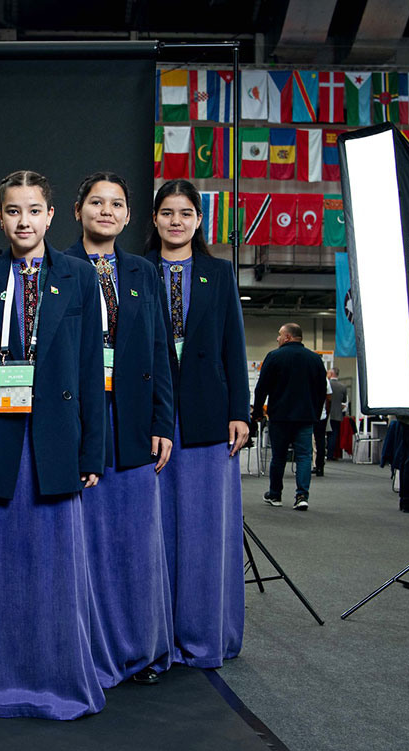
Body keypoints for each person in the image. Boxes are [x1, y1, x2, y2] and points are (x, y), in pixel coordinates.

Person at [0, 170, 106, 719]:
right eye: (13, 211)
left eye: (34, 210)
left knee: (55, 567)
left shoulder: (80, 277)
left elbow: (90, 371)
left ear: (51, 215)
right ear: (0, 217)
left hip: (56, 438)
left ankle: (58, 674)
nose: (24, 221)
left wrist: (92, 452)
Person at [66, 171, 173, 686]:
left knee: (134, 541)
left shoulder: (143, 273)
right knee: (79, 538)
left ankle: (140, 650)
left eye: (116, 204)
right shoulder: (58, 267)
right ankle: (81, 644)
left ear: (129, 216)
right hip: (75, 420)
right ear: (78, 210)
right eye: (95, 202)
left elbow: (158, 352)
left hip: (130, 418)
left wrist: (162, 422)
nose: (106, 211)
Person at [144, 179, 250, 668]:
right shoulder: (136, 271)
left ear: (199, 220)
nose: (176, 221)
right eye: (167, 212)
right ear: (154, 219)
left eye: (185, 213)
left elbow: (234, 344)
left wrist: (240, 412)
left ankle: (206, 633)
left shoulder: (218, 272)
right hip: (153, 418)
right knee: (157, 530)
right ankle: (156, 634)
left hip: (210, 416)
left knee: (206, 531)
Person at [252, 323, 326, 511]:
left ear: (287, 337)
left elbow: (262, 387)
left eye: (279, 335)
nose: (277, 338)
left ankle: (275, 494)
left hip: (280, 417)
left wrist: (258, 412)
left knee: (278, 457)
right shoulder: (315, 360)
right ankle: (302, 496)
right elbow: (321, 391)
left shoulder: (274, 357)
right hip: (305, 417)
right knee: (303, 456)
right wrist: (315, 414)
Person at [312, 374, 332, 476]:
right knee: (320, 442)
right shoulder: (325, 380)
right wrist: (327, 413)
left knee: (304, 441)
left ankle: (304, 466)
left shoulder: (306, 375)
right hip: (321, 415)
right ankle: (320, 467)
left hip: (306, 415)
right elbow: (329, 399)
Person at [326, 367, 348, 461]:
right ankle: (331, 455)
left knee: (322, 434)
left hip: (326, 413)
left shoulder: (327, 384)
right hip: (337, 414)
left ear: (331, 373)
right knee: (334, 435)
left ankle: (322, 454)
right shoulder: (342, 387)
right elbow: (344, 401)